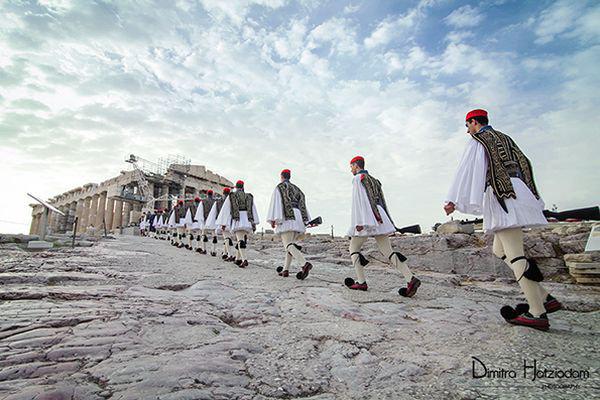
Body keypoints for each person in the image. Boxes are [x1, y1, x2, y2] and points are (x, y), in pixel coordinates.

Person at [445, 109, 562, 331]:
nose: (467, 129)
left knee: (516, 255)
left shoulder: (478, 140)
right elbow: (525, 163)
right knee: (500, 251)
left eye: (467, 124)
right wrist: (533, 195)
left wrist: (453, 199)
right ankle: (544, 297)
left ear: (474, 122)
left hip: (502, 196)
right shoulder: (505, 138)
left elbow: (468, 170)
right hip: (519, 190)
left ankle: (537, 313)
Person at [346, 156, 421, 297]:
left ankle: (361, 282)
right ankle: (410, 278)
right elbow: (382, 202)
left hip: (367, 218)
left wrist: (359, 223)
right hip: (380, 216)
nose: (350, 169)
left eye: (351, 167)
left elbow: (359, 202)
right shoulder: (375, 180)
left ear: (356, 165)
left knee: (353, 248)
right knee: (388, 251)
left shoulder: (358, 179)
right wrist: (388, 222)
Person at [266, 169, 313, 279]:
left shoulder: (280, 187)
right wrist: (306, 220)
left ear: (282, 176)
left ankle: (304, 264)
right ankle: (285, 270)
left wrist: (273, 219)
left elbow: (276, 203)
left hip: (287, 216)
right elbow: (303, 205)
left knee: (288, 245)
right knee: (290, 245)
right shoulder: (298, 189)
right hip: (298, 217)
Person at [217, 180, 260, 267]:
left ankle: (244, 260)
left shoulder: (232, 195)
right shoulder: (249, 196)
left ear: (236, 187)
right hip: (247, 219)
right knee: (241, 239)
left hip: (238, 219)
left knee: (240, 240)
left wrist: (223, 223)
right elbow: (253, 209)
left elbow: (226, 210)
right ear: (243, 187)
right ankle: (237, 259)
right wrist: (254, 222)